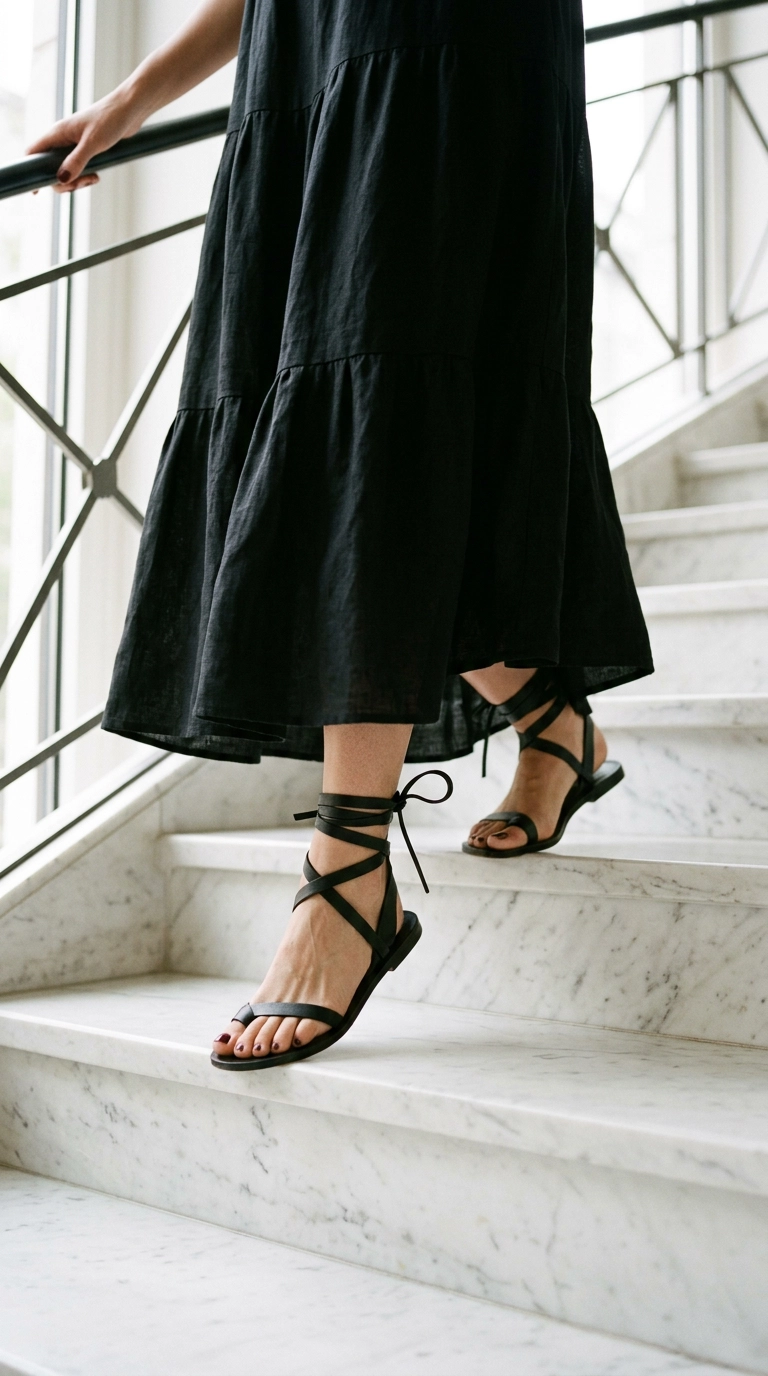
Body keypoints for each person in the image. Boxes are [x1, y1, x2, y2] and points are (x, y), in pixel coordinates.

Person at [31, 0, 652, 1071]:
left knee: (394, 399)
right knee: (344, 415)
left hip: (443, 43)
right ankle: (554, 723)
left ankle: (350, 866)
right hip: (306, 67)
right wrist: (132, 98)